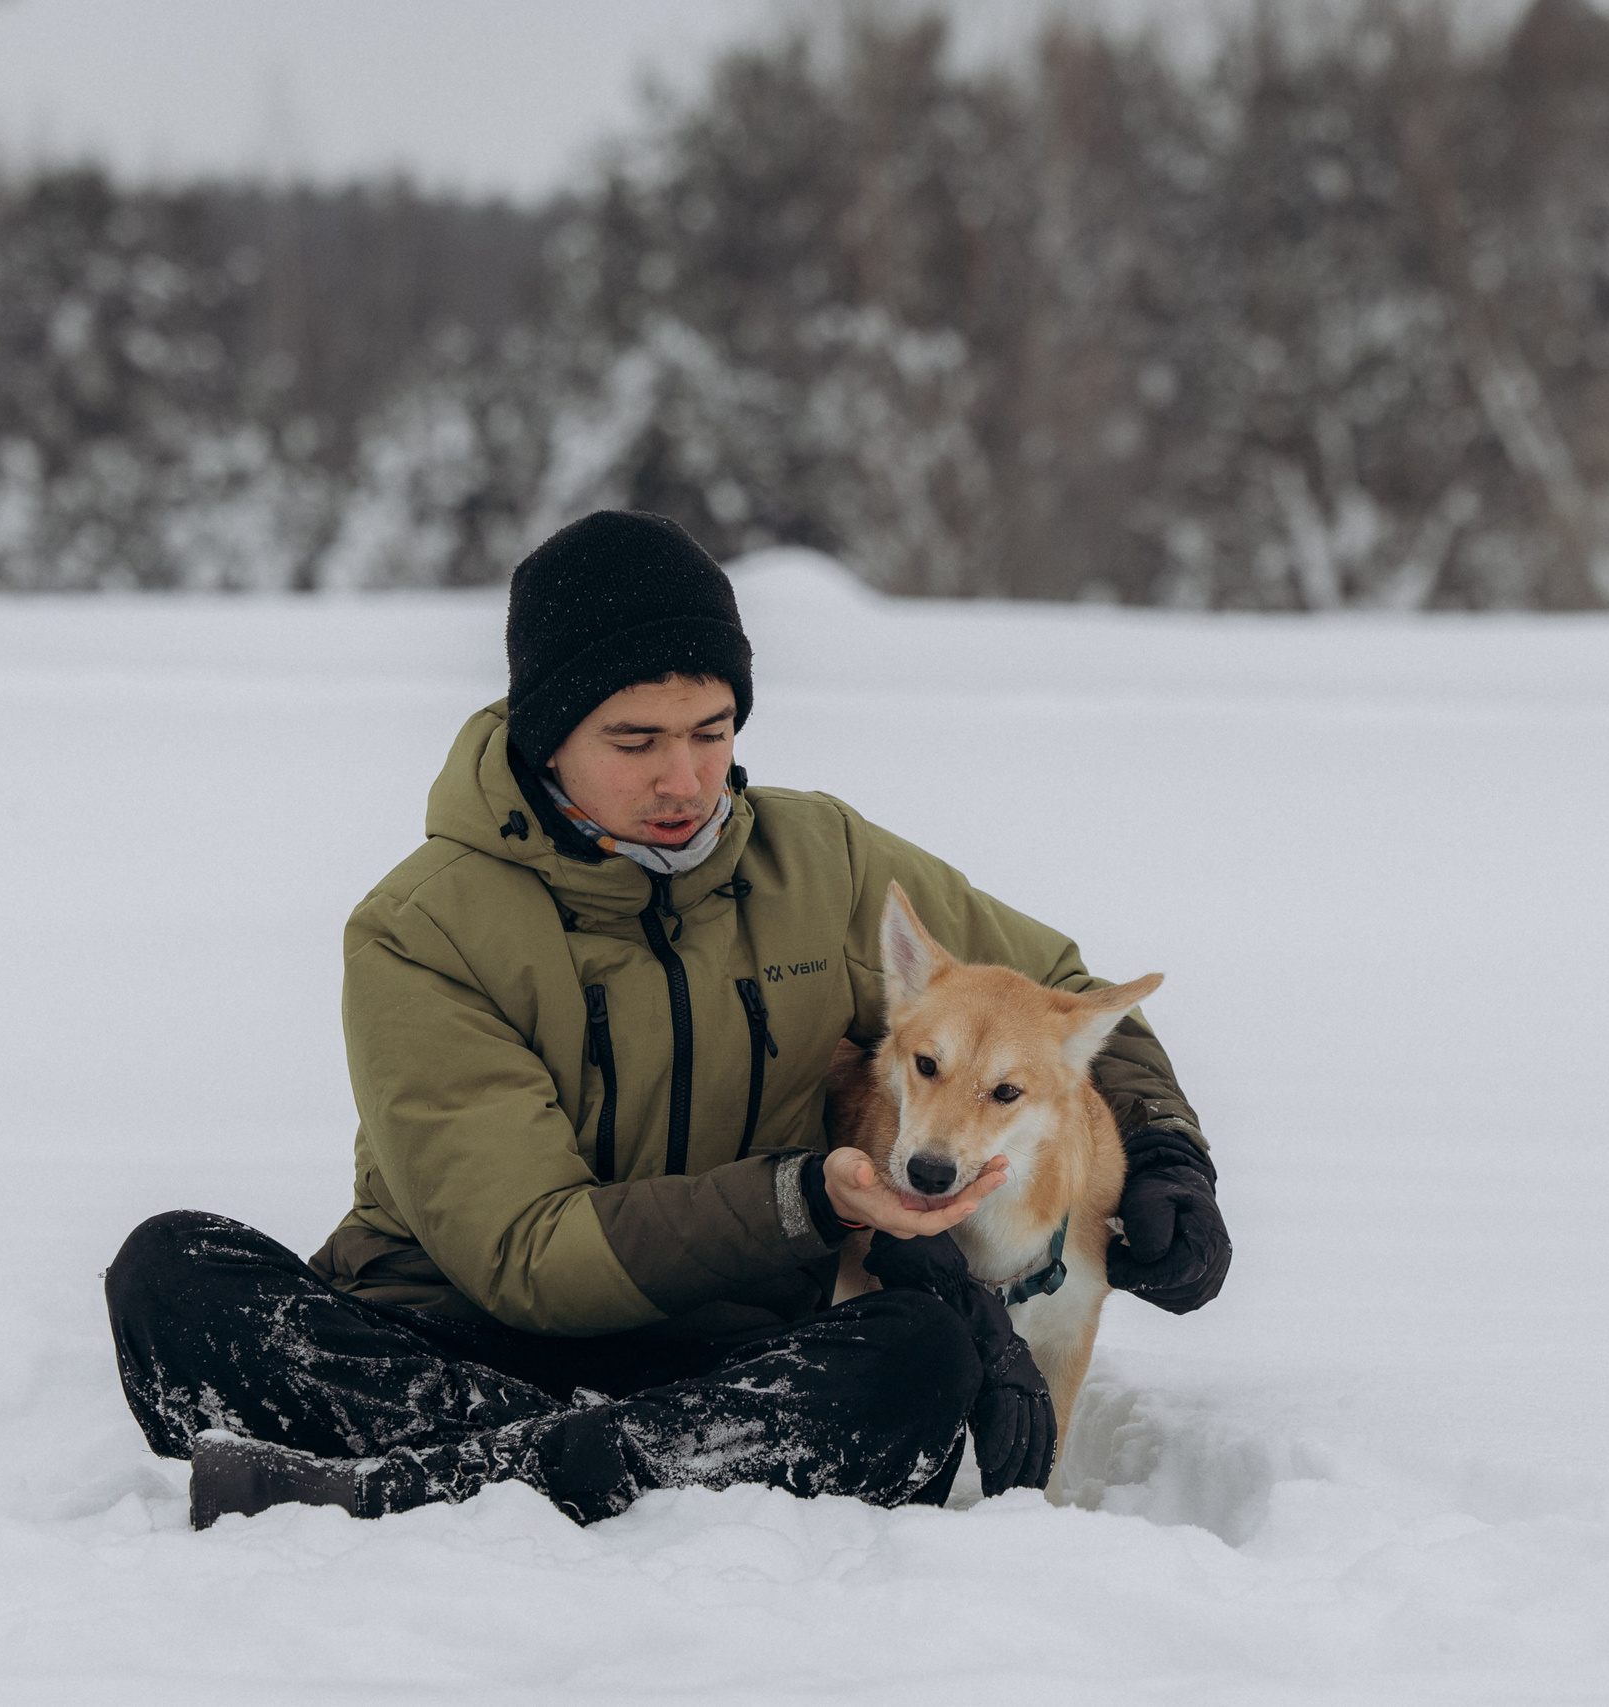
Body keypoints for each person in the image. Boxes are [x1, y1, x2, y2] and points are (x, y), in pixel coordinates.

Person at [103, 511, 1231, 1528]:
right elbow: (524, 1255)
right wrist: (798, 1198)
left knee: (919, 1356)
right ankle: (623, 1471)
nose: (685, 777)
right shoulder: (418, 930)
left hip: (722, 1356)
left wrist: (1165, 1158)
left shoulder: (822, 858)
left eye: (712, 728)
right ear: (546, 736)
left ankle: (410, 1486)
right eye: (635, 741)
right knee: (171, 1276)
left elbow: (1057, 993)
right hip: (447, 1334)